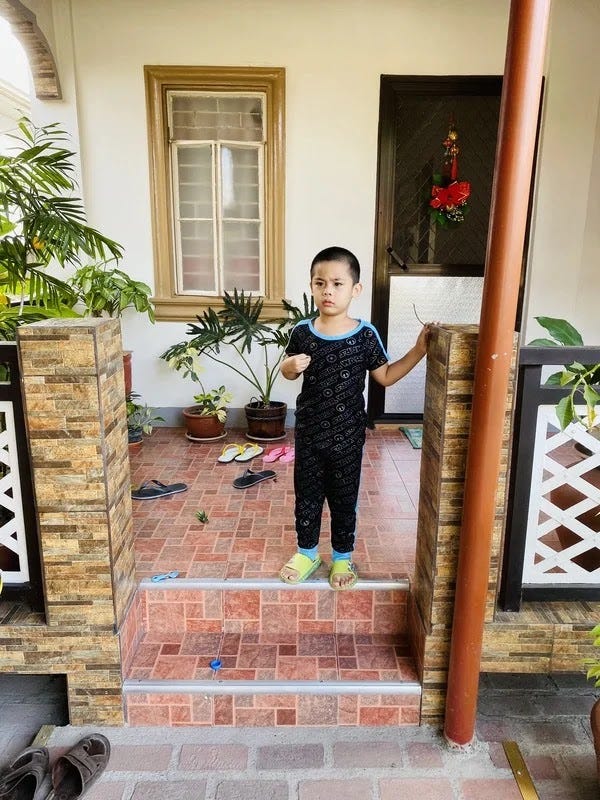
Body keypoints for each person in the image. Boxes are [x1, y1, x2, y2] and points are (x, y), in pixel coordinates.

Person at [279, 245, 433, 590]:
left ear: (355, 289)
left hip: (348, 436)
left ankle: (342, 558)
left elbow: (386, 377)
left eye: (337, 283)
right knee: (306, 494)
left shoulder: (365, 335)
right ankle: (306, 553)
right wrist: (289, 367)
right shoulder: (302, 332)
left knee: (344, 497)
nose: (328, 291)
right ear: (312, 286)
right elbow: (288, 372)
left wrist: (420, 350)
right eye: (320, 283)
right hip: (309, 432)